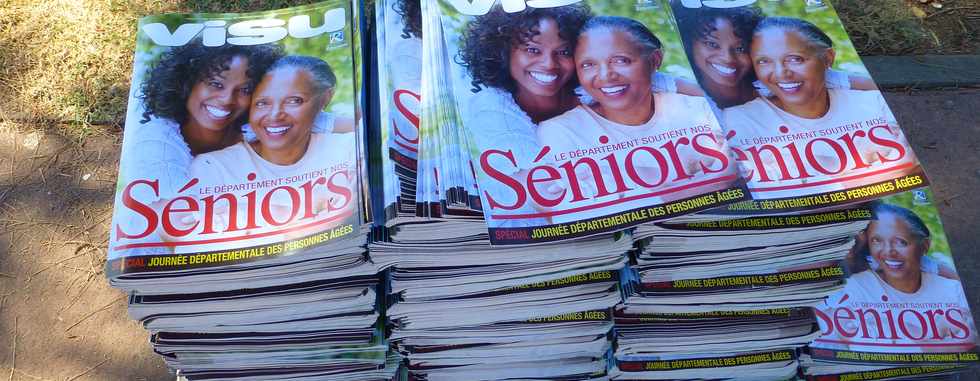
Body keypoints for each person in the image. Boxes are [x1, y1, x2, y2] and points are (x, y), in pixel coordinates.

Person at [537, 16, 733, 223]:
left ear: (655, 60)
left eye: (621, 60)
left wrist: (630, 184)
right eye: (588, 64)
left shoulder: (697, 110)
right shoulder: (560, 131)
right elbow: (588, 216)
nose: (605, 75)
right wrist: (717, 179)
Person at [722, 17, 915, 195]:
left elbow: (913, 161)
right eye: (764, 61)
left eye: (795, 59)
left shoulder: (873, 104)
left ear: (828, 58)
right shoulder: (738, 120)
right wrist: (889, 172)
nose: (781, 73)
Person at [187, 56, 356, 239]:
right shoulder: (213, 167)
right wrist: (313, 214)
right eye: (262, 103)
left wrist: (247, 215)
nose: (275, 115)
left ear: (325, 98)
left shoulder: (348, 150)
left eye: (294, 101)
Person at [819, 204, 975, 352]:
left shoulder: (887, 260)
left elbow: (963, 292)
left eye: (854, 224)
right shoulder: (829, 292)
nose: (843, 234)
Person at [671, 4, 875, 110]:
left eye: (741, 48)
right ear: (690, 44)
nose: (728, 58)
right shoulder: (685, 89)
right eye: (712, 44)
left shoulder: (772, 79)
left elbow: (847, 81)